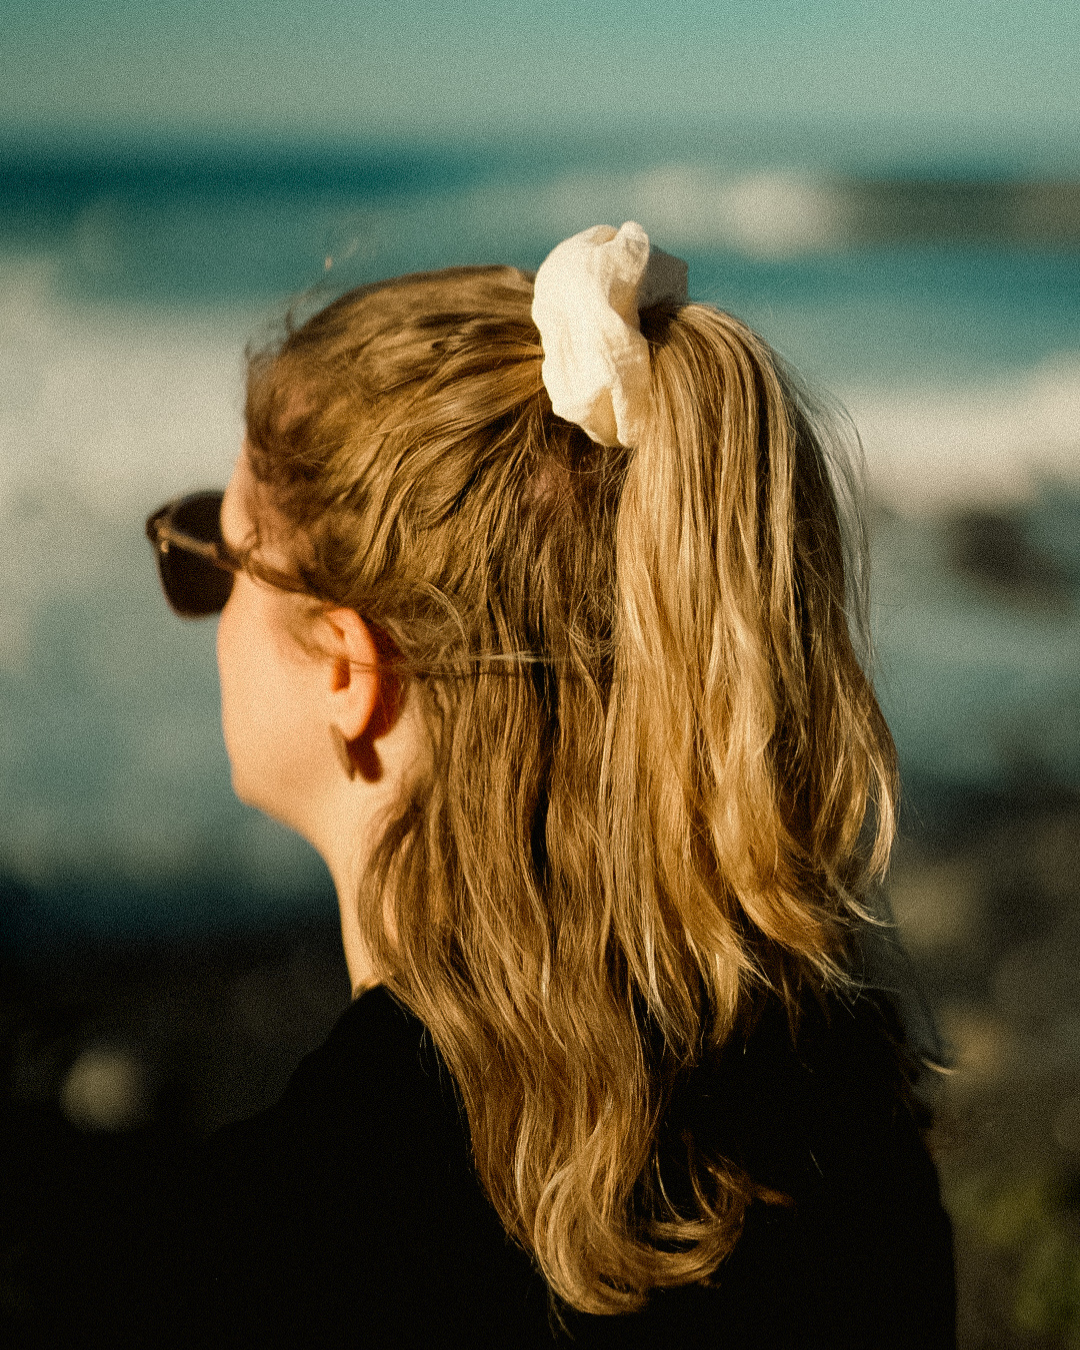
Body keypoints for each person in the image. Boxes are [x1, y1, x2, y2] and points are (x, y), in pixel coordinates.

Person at [138, 222, 954, 1347]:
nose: (200, 604)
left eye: (211, 559)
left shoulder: (291, 1234)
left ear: (348, 668)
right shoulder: (842, 1118)